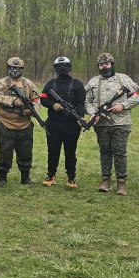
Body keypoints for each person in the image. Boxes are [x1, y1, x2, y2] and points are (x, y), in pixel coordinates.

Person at [85, 53, 139, 195]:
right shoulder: (93, 82)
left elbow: (137, 97)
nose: (104, 67)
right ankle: (105, 180)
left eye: (107, 64)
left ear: (112, 64)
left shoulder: (123, 79)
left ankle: (121, 182)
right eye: (101, 64)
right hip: (101, 124)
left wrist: (123, 106)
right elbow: (86, 101)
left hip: (121, 123)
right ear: (98, 66)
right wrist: (92, 113)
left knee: (120, 152)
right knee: (105, 152)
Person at [0, 57, 41, 186]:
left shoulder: (28, 84)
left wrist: (33, 110)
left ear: (21, 70)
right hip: (6, 124)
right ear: (8, 68)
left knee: (25, 152)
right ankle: (2, 177)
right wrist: (12, 101)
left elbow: (37, 99)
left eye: (17, 68)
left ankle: (25, 177)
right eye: (12, 68)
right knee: (5, 152)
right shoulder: (3, 83)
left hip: (25, 125)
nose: (15, 70)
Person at [39, 56, 86, 189]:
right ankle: (51, 175)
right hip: (53, 124)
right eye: (59, 66)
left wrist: (80, 117)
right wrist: (53, 104)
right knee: (53, 151)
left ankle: (71, 177)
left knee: (70, 152)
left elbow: (81, 103)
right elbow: (42, 99)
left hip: (71, 125)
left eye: (65, 66)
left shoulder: (77, 84)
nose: (62, 68)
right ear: (55, 69)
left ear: (69, 67)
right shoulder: (50, 84)